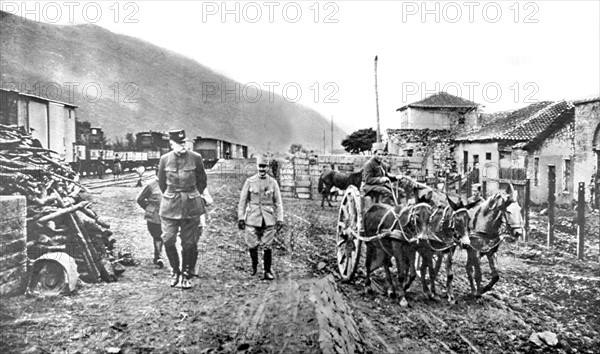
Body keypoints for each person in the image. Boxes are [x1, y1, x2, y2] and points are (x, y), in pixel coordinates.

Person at [158, 129, 207, 289]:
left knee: (188, 242)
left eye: (183, 143)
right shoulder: (164, 160)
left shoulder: (196, 158)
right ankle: (175, 271)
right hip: (170, 206)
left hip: (191, 206)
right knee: (168, 239)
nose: (182, 147)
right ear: (171, 144)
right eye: (178, 144)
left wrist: (192, 195)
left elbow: (202, 181)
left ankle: (186, 273)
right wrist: (173, 196)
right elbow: (162, 184)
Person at [237, 155, 283, 280]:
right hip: (252, 218)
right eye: (260, 167)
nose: (262, 169)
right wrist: (241, 218)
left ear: (268, 167)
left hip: (268, 218)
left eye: (264, 167)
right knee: (252, 244)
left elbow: (278, 202)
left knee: (268, 245)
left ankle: (267, 271)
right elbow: (242, 201)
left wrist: (280, 219)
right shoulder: (250, 181)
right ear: (257, 167)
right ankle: (254, 267)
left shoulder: (273, 182)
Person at [136, 170, 164, 269]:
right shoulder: (151, 185)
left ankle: (158, 255)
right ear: (157, 174)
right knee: (157, 236)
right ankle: (159, 257)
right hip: (154, 216)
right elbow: (139, 199)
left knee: (165, 236)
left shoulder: (170, 184)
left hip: (166, 215)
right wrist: (149, 208)